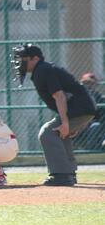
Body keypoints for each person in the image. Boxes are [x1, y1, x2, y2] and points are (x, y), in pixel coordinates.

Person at [12, 43, 97, 186]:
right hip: (83, 108)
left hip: (79, 109)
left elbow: (59, 96)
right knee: (59, 133)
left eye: (24, 58)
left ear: (35, 58)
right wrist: (67, 124)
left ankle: (61, 175)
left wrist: (65, 122)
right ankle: (69, 173)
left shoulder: (43, 70)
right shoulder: (43, 69)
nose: (21, 62)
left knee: (47, 133)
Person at [78, 72, 105, 150]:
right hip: (82, 123)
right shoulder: (78, 95)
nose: (89, 85)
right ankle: (91, 149)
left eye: (91, 83)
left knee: (97, 125)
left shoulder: (97, 95)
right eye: (86, 83)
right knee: (95, 126)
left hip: (97, 121)